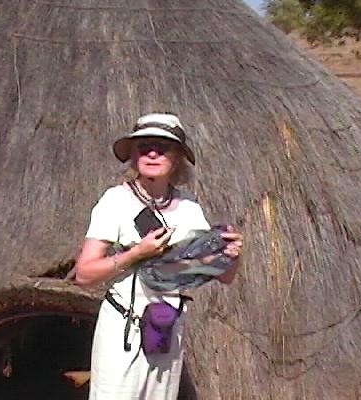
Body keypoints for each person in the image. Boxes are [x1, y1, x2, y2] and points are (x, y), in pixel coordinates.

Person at [75, 113, 243, 400]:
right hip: (124, 329)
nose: (152, 154)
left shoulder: (189, 207)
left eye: (162, 148)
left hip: (167, 329)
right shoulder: (116, 201)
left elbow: (223, 276)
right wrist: (136, 253)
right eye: (144, 147)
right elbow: (84, 274)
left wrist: (230, 255)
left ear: (176, 158)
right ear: (133, 155)